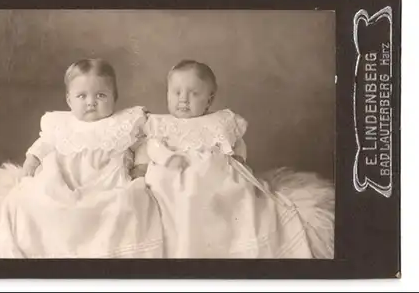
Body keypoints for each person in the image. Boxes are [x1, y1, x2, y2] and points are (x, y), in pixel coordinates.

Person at [0, 58, 164, 258]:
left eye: (101, 95)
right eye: (82, 96)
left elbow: (141, 144)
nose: (91, 102)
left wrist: (141, 166)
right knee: (32, 204)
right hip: (63, 180)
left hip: (107, 181)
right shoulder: (59, 123)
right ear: (69, 100)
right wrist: (32, 161)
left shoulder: (125, 122)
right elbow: (43, 144)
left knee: (124, 205)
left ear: (114, 97)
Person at [138, 59, 334, 258]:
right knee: (163, 185)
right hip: (172, 170)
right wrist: (167, 158)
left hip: (212, 170)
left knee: (231, 191)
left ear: (209, 99)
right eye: (176, 92)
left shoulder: (221, 120)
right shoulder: (161, 123)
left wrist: (240, 158)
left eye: (194, 93)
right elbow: (152, 146)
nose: (183, 99)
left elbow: (237, 143)